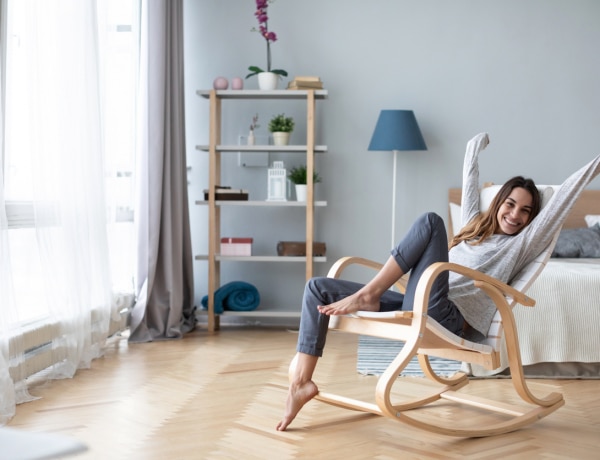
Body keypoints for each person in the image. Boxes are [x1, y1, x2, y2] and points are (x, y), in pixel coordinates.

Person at [276, 133, 600, 432]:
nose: (515, 215)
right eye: (510, 204)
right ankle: (300, 383)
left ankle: (369, 293)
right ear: (498, 202)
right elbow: (470, 182)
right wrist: (474, 147)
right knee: (317, 287)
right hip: (423, 302)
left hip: (448, 317)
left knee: (431, 222)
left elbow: (565, 195)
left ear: (532, 219)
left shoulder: (522, 243)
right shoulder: (474, 227)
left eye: (525, 211)